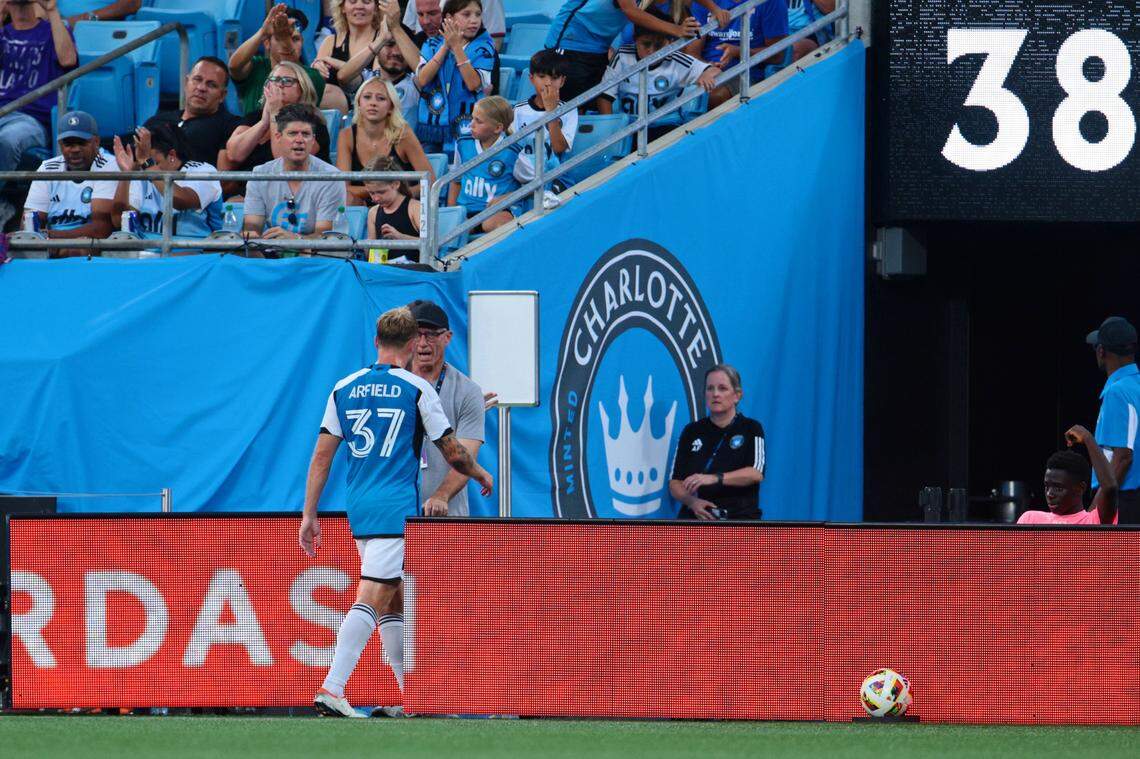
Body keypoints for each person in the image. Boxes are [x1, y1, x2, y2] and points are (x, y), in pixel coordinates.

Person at [301, 305, 493, 718]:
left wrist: (309, 515)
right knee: (372, 596)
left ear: (376, 342)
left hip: (360, 506)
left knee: (393, 603)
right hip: (395, 508)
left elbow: (321, 457)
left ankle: (414, 699)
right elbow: (453, 452)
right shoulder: (418, 389)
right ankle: (332, 687)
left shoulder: (343, 387)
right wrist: (480, 473)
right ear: (409, 346)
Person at [0, 0, 77, 225]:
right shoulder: (4, 33)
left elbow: (68, 60)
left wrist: (52, 10)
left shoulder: (51, 31)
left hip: (32, 119)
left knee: (5, 141)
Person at [544, 0, 700, 106]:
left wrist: (715, 9)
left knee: (589, 107)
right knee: (568, 108)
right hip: (570, 43)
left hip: (599, 48)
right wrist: (676, 30)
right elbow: (631, 11)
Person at [598, 11, 717, 140]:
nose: (652, 50)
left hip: (666, 126)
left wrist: (706, 74)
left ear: (670, 42)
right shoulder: (622, 56)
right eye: (646, 44)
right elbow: (605, 96)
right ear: (635, 40)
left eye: (659, 45)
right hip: (629, 128)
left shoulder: (677, 60)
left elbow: (715, 71)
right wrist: (609, 129)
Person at [669, 364, 765, 520]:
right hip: (697, 519)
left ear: (737, 395)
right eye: (710, 388)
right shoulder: (691, 431)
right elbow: (675, 482)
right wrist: (692, 501)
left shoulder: (751, 428)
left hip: (739, 520)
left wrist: (714, 478)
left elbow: (755, 473)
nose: (715, 394)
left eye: (722, 388)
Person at [242, 104, 345, 247]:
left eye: (306, 134)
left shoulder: (331, 178)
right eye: (292, 133)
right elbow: (252, 228)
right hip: (271, 256)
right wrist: (254, 245)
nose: (299, 139)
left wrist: (295, 240)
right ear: (278, 137)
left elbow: (325, 237)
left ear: (313, 139)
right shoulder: (260, 174)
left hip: (314, 259)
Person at [22, 110, 118, 255]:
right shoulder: (47, 168)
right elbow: (28, 223)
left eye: (81, 143)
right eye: (68, 144)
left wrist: (53, 237)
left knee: (77, 248)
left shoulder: (109, 164)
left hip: (93, 249)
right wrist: (46, 239)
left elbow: (101, 228)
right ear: (60, 144)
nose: (75, 150)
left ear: (96, 142)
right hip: (53, 245)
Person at [223, 61, 333, 183]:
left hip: (299, 191)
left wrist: (275, 114)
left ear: (302, 88)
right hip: (252, 189)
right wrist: (264, 122)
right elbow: (233, 155)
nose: (279, 85)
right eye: (274, 79)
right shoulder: (254, 118)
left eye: (287, 81)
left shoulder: (312, 123)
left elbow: (284, 163)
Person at [111, 123, 222, 241]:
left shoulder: (202, 170)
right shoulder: (145, 171)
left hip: (194, 250)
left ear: (172, 155)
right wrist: (126, 175)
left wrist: (147, 163)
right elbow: (119, 221)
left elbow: (181, 201)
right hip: (148, 252)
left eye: (155, 162)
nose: (146, 167)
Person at [413, 0, 495, 154]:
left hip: (469, 127)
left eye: (478, 14)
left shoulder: (484, 47)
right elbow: (423, 79)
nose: (474, 20)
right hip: (433, 131)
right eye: (466, 14)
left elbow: (473, 84)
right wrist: (445, 46)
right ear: (449, 18)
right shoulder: (431, 44)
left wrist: (456, 47)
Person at [337, 77, 432, 207]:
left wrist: (397, 195)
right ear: (358, 103)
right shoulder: (346, 135)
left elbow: (430, 181)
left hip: (401, 204)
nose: (373, 103)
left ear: (391, 107)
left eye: (381, 98)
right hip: (363, 206)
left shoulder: (403, 134)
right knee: (346, 200)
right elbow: (342, 187)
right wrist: (380, 191)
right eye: (367, 97)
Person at [229, 4, 331, 117]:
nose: (288, 44)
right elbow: (234, 66)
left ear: (302, 44)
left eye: (295, 39)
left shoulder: (312, 76)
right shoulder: (257, 67)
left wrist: (283, 37)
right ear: (267, 43)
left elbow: (287, 68)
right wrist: (263, 32)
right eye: (278, 38)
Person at [686, 0, 788, 109]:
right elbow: (692, 53)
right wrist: (707, 67)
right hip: (706, 72)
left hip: (746, 73)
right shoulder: (705, 3)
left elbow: (778, 55)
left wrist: (739, 52)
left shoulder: (771, 2)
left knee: (713, 97)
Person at [1086, 316, 1140, 523]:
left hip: (1121, 503)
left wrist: (1095, 511)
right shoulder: (1135, 386)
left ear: (1101, 351)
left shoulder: (1118, 392)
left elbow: (1124, 457)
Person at [448, 96, 529, 232]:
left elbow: (534, 184)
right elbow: (456, 180)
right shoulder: (463, 143)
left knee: (497, 223)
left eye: (478, 121)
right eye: (472, 118)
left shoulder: (513, 151)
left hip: (496, 212)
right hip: (465, 211)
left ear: (497, 128)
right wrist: (451, 212)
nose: (470, 125)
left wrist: (506, 198)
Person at [144, 57, 242, 167]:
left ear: (222, 95)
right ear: (186, 83)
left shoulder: (231, 126)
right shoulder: (156, 121)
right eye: (197, 79)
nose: (201, 88)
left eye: (211, 84)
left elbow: (225, 181)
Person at [1017, 425, 1118, 526]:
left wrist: (1087, 438)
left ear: (1080, 488)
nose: (1049, 494)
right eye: (1047, 486)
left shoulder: (1093, 521)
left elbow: (1110, 487)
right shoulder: (1030, 519)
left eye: (1058, 488)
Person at [511, 49, 577, 198]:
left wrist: (551, 111)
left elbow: (559, 148)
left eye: (554, 78)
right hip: (523, 180)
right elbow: (512, 151)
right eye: (542, 77)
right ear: (531, 78)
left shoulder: (569, 110)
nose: (548, 83)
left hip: (555, 178)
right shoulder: (518, 111)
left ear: (563, 81)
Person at [313, 0, 384, 102]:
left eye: (366, 2)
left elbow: (376, 83)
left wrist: (334, 62)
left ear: (376, 8)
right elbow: (317, 86)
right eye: (352, 1)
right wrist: (317, 68)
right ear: (342, 7)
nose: (359, 6)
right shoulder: (330, 41)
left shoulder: (382, 40)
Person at [364, 155, 420, 258]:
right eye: (371, 193)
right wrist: (367, 246)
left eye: (381, 192)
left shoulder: (415, 208)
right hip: (383, 270)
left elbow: (432, 245)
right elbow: (369, 256)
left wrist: (400, 237)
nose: (375, 198)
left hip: (412, 271)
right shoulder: (373, 212)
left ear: (396, 184)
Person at [403, 0, 503, 50]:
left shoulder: (482, 50)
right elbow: (409, 33)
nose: (426, 21)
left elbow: (495, 41)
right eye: (420, 14)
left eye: (433, 13)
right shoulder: (424, 42)